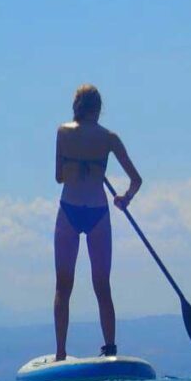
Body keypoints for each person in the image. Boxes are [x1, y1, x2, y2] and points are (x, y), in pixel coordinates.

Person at [54, 84, 142, 361]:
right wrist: (124, 198)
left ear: (76, 105)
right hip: (98, 213)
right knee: (102, 285)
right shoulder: (109, 138)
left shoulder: (62, 132)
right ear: (98, 108)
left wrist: (76, 164)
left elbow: (59, 177)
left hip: (69, 210)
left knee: (63, 286)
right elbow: (136, 181)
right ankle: (110, 348)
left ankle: (60, 353)